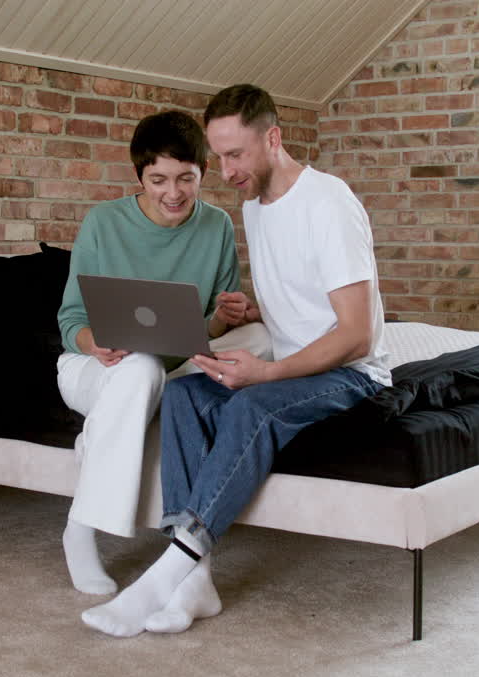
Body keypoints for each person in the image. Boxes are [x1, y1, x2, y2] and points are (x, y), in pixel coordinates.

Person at [81, 84, 392, 637]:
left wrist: (267, 372)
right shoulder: (254, 205)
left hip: (351, 376)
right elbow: (296, 306)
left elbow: (356, 335)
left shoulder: (329, 202)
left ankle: (168, 571)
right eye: (219, 156)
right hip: (300, 364)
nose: (224, 171)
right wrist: (251, 310)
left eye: (235, 154)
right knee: (181, 394)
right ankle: (197, 584)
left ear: (272, 139)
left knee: (251, 408)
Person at [55, 109, 270, 596]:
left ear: (202, 174)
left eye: (185, 179)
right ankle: (81, 530)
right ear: (140, 176)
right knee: (139, 369)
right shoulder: (103, 223)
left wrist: (229, 315)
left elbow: (209, 329)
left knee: (261, 340)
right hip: (95, 367)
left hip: (175, 364)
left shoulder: (215, 225)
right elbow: (71, 320)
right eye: (158, 180)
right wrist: (95, 341)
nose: (173, 193)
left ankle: (105, 431)